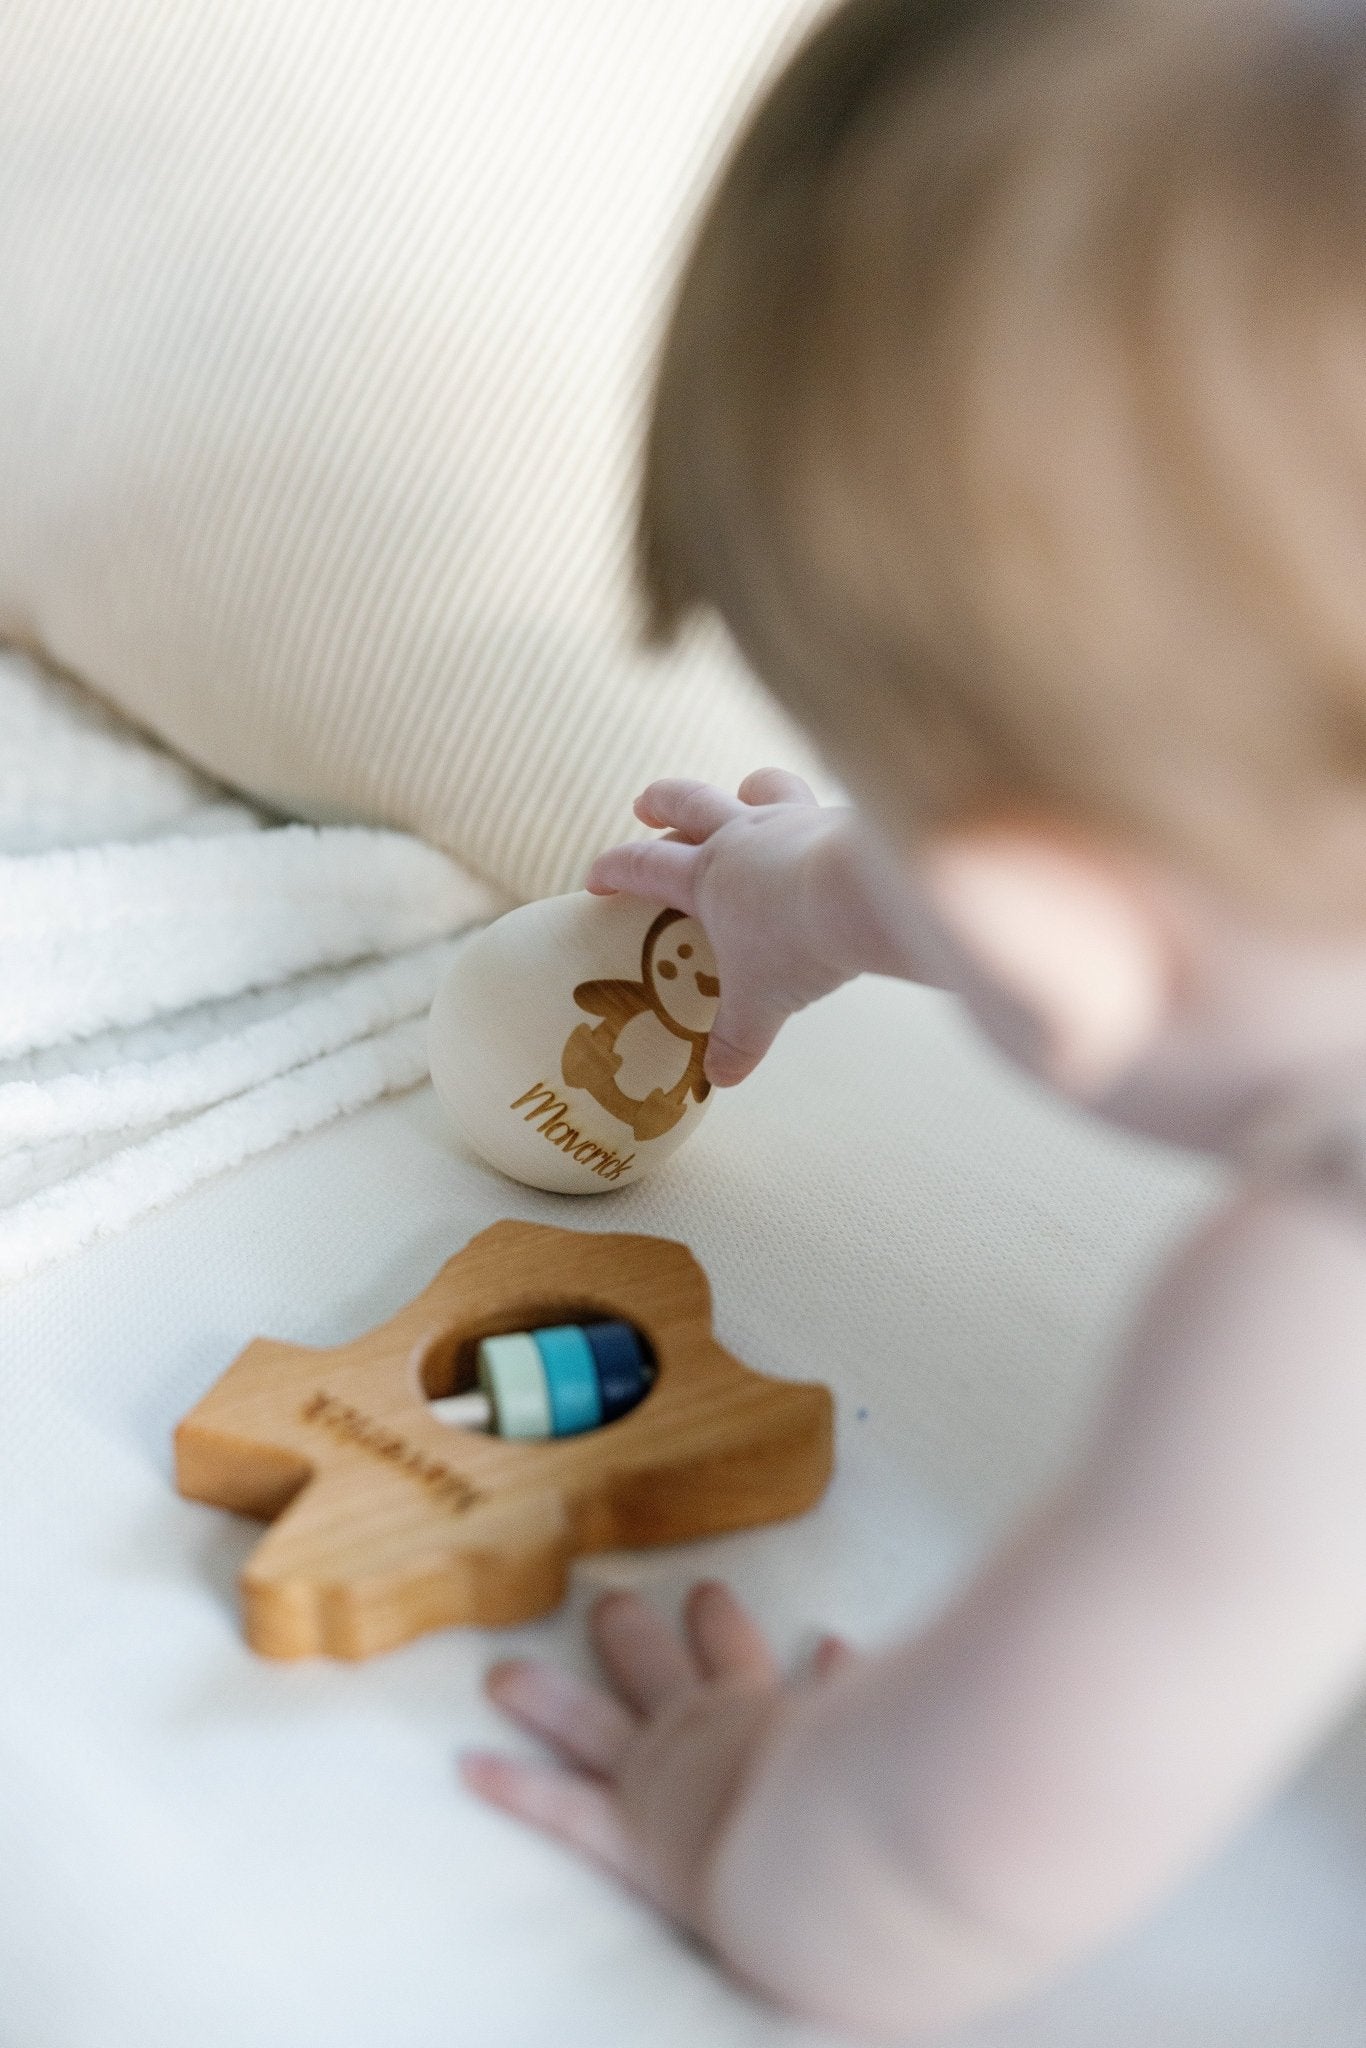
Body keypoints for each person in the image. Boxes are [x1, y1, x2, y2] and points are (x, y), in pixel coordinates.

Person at [461, 0, 1366, 2033]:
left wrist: (737, 1808)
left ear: (1051, 936)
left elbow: (930, 1877)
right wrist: (805, 903)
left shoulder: (1312, 1322)